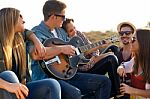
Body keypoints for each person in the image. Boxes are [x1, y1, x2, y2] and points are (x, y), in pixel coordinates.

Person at [27, 0, 112, 99]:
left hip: (67, 75)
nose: (64, 19)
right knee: (74, 94)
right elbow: (36, 54)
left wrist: (99, 45)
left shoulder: (61, 32)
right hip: (48, 79)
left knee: (104, 82)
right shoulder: (37, 33)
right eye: (63, 17)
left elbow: (76, 51)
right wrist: (62, 49)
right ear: (53, 16)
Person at [0, 7, 61, 99]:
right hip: (4, 90)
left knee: (52, 84)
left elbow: (27, 32)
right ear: (10, 19)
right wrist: (8, 85)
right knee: (8, 75)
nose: (23, 20)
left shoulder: (18, 38)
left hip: (22, 89)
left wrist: (37, 41)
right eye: (20, 16)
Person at [62, 18, 121, 98]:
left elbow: (92, 47)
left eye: (75, 28)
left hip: (92, 63)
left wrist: (95, 56)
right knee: (111, 58)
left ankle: (118, 87)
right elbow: (82, 68)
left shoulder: (79, 34)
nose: (75, 31)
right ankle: (115, 91)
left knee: (114, 48)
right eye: (71, 30)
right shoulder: (66, 44)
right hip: (83, 71)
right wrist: (95, 60)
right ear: (65, 33)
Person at [117, 29, 150, 99]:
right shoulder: (135, 60)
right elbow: (125, 65)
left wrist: (131, 90)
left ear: (143, 42)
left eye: (133, 40)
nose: (130, 42)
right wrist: (121, 67)